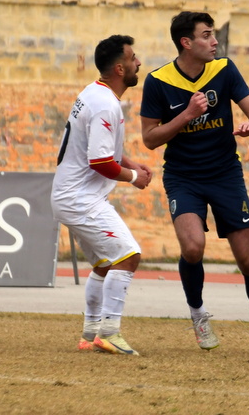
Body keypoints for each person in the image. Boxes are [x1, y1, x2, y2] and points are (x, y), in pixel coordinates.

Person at [140, 11, 249, 355]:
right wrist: (186, 115)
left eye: (213, 35)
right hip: (183, 177)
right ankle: (198, 314)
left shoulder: (224, 69)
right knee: (193, 247)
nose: (215, 41)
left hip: (225, 173)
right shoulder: (158, 81)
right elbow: (150, 139)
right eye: (207, 35)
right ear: (187, 43)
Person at [51, 34, 153, 356]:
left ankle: (90, 333)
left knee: (106, 264)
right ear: (120, 68)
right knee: (129, 255)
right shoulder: (106, 104)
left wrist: (131, 162)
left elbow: (96, 149)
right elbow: (99, 161)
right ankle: (109, 332)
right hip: (79, 199)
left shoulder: (93, 93)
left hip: (70, 196)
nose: (139, 63)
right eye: (134, 58)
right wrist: (134, 177)